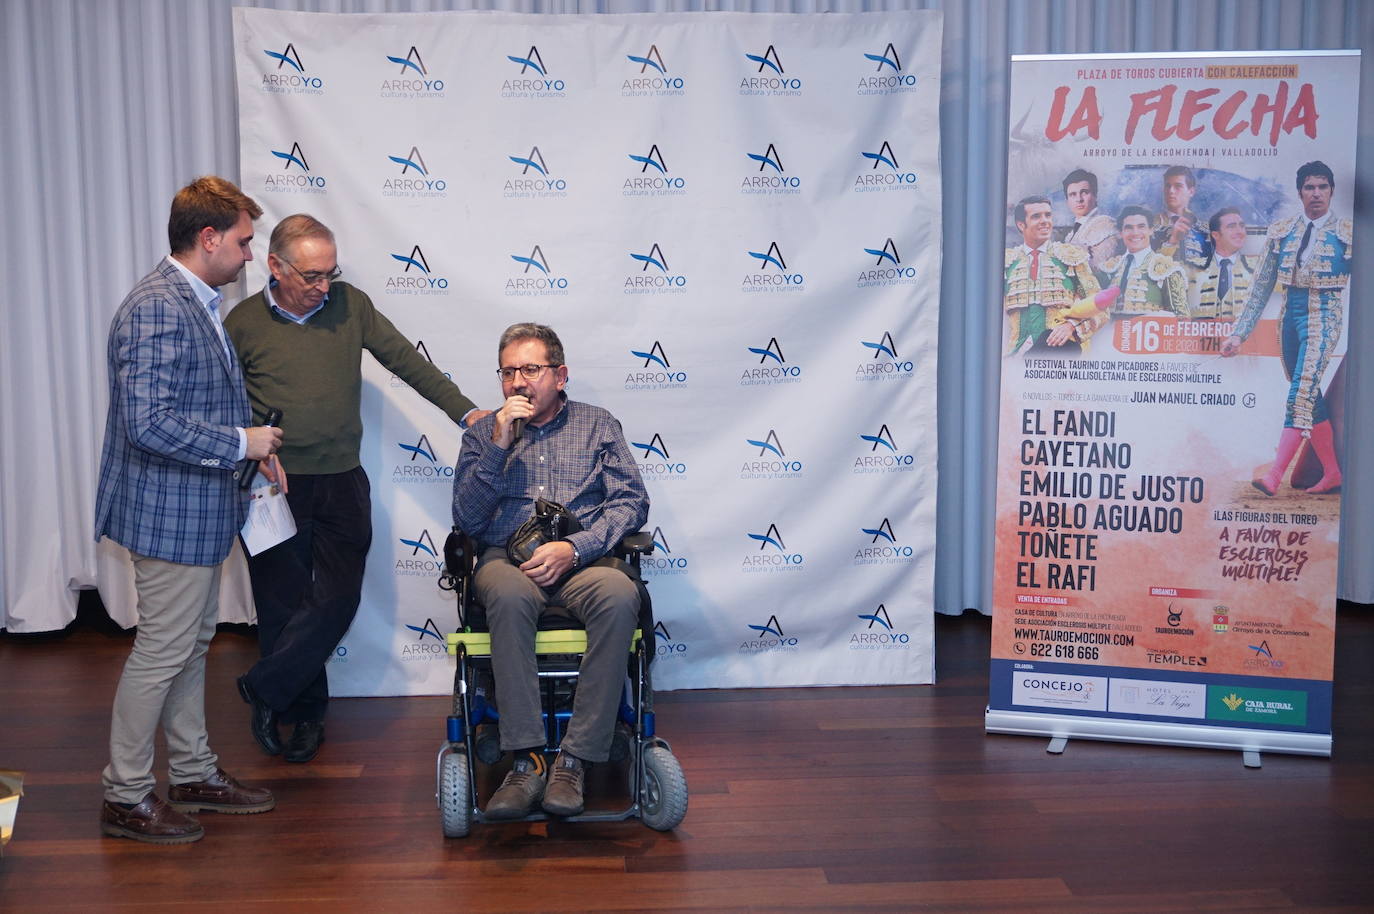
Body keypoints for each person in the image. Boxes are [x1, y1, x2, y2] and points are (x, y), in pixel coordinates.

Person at [225, 214, 485, 763]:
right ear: (275, 266)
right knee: (282, 603)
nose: (324, 286)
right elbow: (224, 403)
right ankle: (301, 712)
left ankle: (265, 687)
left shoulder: (351, 305)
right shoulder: (243, 324)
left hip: (343, 478)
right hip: (273, 486)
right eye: (312, 275)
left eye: (330, 273)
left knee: (337, 597)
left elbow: (409, 362)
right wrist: (253, 449)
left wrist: (466, 413)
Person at [95, 177, 282, 844]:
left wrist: (251, 451)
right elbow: (149, 422)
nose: (250, 254)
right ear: (208, 240)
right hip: (167, 514)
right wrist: (241, 441)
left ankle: (195, 771)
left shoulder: (194, 299)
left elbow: (197, 404)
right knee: (162, 651)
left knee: (188, 647)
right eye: (243, 241)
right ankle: (125, 794)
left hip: (197, 510)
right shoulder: (158, 307)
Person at [452, 323, 649, 819]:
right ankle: (528, 759)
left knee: (619, 595)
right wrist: (497, 445)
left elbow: (631, 501)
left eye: (531, 370)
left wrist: (575, 547)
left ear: (560, 376)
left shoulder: (598, 424)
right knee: (508, 595)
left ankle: (576, 758)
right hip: (508, 560)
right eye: (508, 372)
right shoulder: (482, 434)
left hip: (583, 559)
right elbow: (468, 520)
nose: (518, 382)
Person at [1222, 161, 1351, 496]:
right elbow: (1261, 286)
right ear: (1300, 192)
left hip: (1324, 313)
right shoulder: (1283, 231)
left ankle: (1274, 476)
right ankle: (1333, 472)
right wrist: (1239, 332)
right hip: (1290, 317)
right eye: (1310, 187)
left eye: (1323, 186)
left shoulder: (1348, 233)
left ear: (1332, 191)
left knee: (1300, 394)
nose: (1317, 193)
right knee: (1308, 394)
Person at [1003, 195, 1107, 356]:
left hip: (1060, 360)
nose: (1045, 221)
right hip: (1016, 360)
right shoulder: (1006, 262)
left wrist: (1072, 326)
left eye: (1048, 215)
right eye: (1036, 216)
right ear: (1021, 224)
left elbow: (1100, 306)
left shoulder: (1070, 257)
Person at [1098, 205, 1189, 317]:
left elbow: (1182, 319)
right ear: (1121, 233)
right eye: (1128, 227)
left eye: (1141, 226)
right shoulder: (1108, 269)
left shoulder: (1168, 269)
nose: (1135, 233)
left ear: (1151, 230)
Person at [1190, 208, 1259, 320]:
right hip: (1202, 336)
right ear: (1216, 235)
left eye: (1241, 226)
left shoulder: (1258, 267)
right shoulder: (1193, 269)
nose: (1240, 232)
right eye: (1231, 227)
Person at [1057, 168, 1119, 271]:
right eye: (1073, 194)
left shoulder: (1106, 225)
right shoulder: (1073, 232)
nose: (1079, 199)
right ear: (1067, 201)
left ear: (1095, 195)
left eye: (1084, 192)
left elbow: (1102, 270)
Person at [1150, 165, 1211, 269]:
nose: (1171, 191)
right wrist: (1172, 241)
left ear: (1191, 192)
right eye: (1167, 186)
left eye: (1178, 186)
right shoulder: (1148, 226)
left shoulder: (1205, 230)